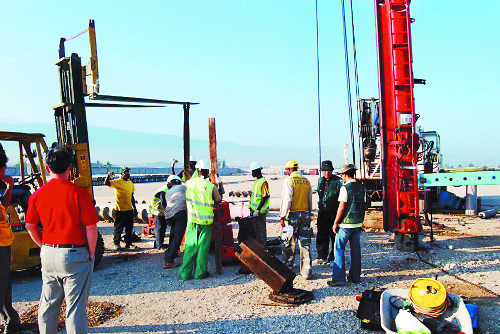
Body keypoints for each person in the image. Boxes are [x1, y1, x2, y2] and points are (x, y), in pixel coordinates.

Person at [25, 147, 98, 334]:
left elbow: (30, 226)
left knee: (48, 305)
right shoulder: (79, 193)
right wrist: (91, 253)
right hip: (74, 254)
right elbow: (91, 228)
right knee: (74, 309)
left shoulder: (37, 194)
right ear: (71, 167)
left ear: (48, 168)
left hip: (49, 253)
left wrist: (43, 246)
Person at [179, 159, 221, 280]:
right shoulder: (211, 186)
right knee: (203, 248)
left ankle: (185, 274)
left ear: (198, 171)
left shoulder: (189, 184)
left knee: (190, 246)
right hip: (206, 222)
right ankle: (200, 273)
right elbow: (218, 199)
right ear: (208, 172)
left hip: (192, 220)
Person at [328, 164, 367, 287]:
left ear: (345, 175)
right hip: (357, 224)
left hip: (346, 224)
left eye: (342, 175)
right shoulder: (361, 188)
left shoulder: (345, 188)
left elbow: (342, 207)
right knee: (356, 250)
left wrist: (335, 222)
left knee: (338, 249)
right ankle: (355, 277)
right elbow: (364, 205)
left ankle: (339, 278)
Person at [0, 150, 22, 334]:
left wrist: (9, 188)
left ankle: (11, 321)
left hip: (3, 242)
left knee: (4, 283)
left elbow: (3, 205)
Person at [279, 160, 313, 279]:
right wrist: (308, 213)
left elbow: (287, 198)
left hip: (292, 215)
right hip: (305, 214)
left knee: (288, 242)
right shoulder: (306, 181)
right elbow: (310, 199)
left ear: (289, 169)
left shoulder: (289, 181)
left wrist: (282, 215)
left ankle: (288, 267)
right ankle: (306, 271)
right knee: (305, 243)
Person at [313, 160, 343, 266]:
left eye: (329, 170)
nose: (327, 173)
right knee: (321, 234)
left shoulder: (338, 181)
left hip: (334, 213)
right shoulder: (320, 181)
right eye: (325, 171)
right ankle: (321, 256)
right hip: (322, 212)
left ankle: (333, 257)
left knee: (334, 235)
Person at [105, 167, 138, 250]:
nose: (128, 174)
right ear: (122, 174)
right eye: (126, 173)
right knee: (118, 227)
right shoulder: (117, 182)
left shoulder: (130, 183)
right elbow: (106, 183)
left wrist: (135, 208)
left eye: (128, 173)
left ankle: (128, 244)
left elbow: (132, 196)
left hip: (129, 209)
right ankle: (116, 243)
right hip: (120, 209)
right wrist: (108, 176)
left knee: (129, 228)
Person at [158, 175, 187, 269]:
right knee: (177, 237)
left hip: (169, 217)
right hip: (180, 214)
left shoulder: (168, 192)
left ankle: (170, 254)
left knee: (173, 235)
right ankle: (168, 260)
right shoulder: (183, 187)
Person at [248, 162, 270, 248]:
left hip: (260, 212)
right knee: (255, 231)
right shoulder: (257, 181)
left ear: (257, 171)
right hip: (254, 211)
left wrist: (258, 210)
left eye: (253, 171)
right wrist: (251, 207)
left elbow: (264, 197)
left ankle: (263, 248)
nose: (252, 173)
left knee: (260, 231)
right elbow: (254, 197)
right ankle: (258, 248)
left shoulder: (263, 182)